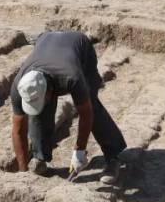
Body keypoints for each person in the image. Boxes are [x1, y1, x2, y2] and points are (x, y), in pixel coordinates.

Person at [10, 31, 127, 184]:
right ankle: (40, 157)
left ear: (51, 91)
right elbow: (18, 130)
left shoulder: (72, 77)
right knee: (39, 111)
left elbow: (86, 114)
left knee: (91, 103)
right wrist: (23, 171)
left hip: (80, 47)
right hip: (47, 41)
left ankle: (113, 157)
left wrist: (79, 151)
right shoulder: (20, 88)